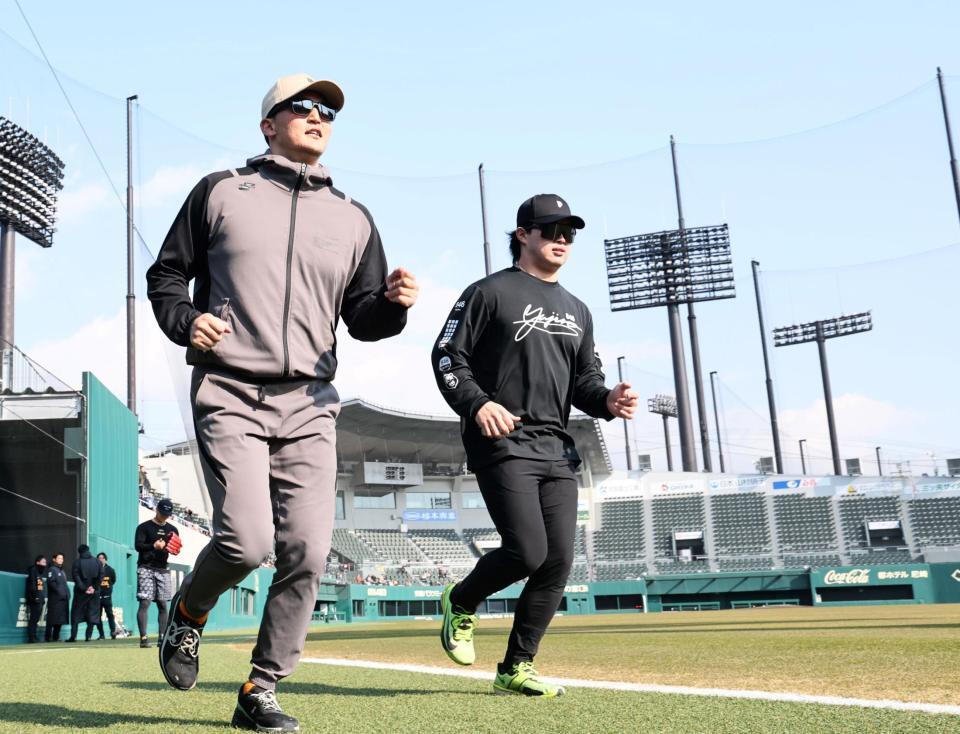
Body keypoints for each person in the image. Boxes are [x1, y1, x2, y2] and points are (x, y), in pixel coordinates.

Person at [146, 73, 418, 732]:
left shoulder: (353, 216)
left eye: (328, 110)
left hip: (311, 401)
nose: (318, 116)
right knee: (243, 543)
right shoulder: (220, 192)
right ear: (269, 124)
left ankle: (260, 688)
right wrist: (187, 321)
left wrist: (391, 305)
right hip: (230, 387)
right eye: (303, 106)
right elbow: (166, 276)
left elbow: (362, 316)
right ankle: (189, 614)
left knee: (308, 551)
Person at [431, 194, 638, 697]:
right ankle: (460, 601)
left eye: (570, 232)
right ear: (524, 234)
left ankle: (515, 667)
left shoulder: (578, 310)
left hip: (557, 448)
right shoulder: (488, 292)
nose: (562, 240)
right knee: (526, 551)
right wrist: (478, 404)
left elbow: (585, 383)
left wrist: (608, 398)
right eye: (551, 230)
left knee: (558, 561)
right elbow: (445, 355)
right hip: (501, 439)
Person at [134, 498, 179, 648]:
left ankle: (162, 638)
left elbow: (175, 549)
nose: (165, 516)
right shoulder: (144, 527)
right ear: (156, 510)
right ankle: (144, 638)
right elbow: (138, 546)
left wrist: (173, 549)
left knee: (162, 603)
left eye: (168, 514)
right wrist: (153, 546)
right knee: (145, 602)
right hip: (145, 567)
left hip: (163, 569)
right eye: (163, 513)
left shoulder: (172, 529)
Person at [66, 544, 101, 642]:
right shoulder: (97, 562)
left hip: (80, 593)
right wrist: (94, 587)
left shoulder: (77, 562)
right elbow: (101, 575)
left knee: (76, 614)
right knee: (92, 613)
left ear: (79, 552)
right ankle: (88, 636)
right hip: (94, 593)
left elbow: (76, 576)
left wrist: (84, 588)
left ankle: (73, 636)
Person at [44, 552, 69, 642]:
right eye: (59, 558)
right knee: (52, 619)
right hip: (55, 599)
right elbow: (51, 583)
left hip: (63, 599)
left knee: (60, 619)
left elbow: (65, 585)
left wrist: (67, 594)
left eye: (62, 558)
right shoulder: (52, 569)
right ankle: (47, 637)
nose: (61, 560)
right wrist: (60, 593)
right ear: (54, 559)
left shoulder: (62, 571)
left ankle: (55, 637)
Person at [24, 555, 47, 643]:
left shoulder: (39, 573)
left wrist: (42, 597)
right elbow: (32, 585)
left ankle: (34, 636)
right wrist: (35, 597)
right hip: (35, 599)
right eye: (43, 562)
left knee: (36, 619)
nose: (45, 564)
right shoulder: (33, 570)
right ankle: (32, 638)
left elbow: (39, 586)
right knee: (33, 619)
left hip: (39, 599)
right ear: (37, 562)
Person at [95, 552, 118, 640]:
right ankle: (101, 635)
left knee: (110, 615)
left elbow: (113, 580)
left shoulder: (110, 570)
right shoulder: (95, 570)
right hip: (97, 597)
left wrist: (108, 590)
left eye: (102, 558)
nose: (100, 560)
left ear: (105, 559)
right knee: (98, 617)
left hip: (107, 597)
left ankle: (113, 632)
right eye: (99, 558)